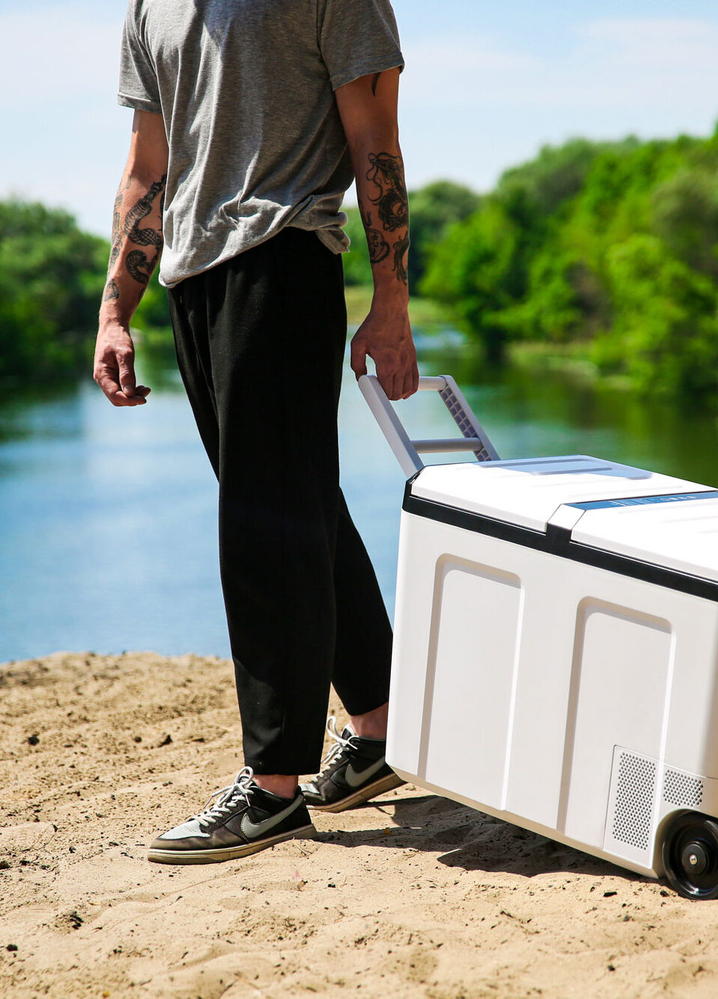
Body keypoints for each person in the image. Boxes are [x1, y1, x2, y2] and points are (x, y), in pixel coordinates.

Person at [94, 0, 418, 865]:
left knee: (262, 524)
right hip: (189, 279)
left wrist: (392, 306)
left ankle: (274, 787)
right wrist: (115, 309)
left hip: (285, 255)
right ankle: (383, 727)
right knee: (299, 501)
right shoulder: (150, 5)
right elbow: (147, 165)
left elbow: (375, 141)